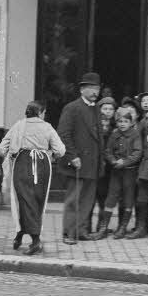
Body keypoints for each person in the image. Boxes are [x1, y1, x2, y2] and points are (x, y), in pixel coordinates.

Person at [0, 100, 66, 254]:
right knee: (36, 201)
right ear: (40, 113)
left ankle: (24, 236)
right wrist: (50, 154)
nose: (45, 115)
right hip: (43, 166)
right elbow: (61, 150)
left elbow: (2, 148)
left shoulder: (18, 126)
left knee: (23, 201)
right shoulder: (47, 127)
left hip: (22, 164)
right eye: (44, 113)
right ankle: (29, 238)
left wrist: (12, 154)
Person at [57, 72, 103, 244]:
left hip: (92, 163)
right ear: (82, 89)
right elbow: (63, 134)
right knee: (74, 199)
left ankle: (80, 230)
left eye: (97, 88)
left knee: (87, 200)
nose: (95, 92)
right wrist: (72, 156)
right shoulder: (72, 108)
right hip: (77, 162)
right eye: (91, 88)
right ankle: (68, 233)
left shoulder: (96, 108)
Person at [104, 104, 143, 239]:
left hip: (129, 172)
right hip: (116, 171)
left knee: (128, 199)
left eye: (126, 121)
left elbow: (137, 153)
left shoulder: (135, 134)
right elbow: (108, 151)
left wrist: (125, 162)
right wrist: (113, 161)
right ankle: (103, 227)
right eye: (120, 121)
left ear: (131, 122)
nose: (122, 124)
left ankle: (122, 228)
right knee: (111, 198)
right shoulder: (114, 134)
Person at [92, 96, 117, 239]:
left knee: (105, 199)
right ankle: (86, 226)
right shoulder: (94, 126)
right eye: (105, 108)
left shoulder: (116, 128)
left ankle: (102, 226)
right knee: (92, 198)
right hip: (95, 167)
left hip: (110, 169)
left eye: (111, 109)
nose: (108, 112)